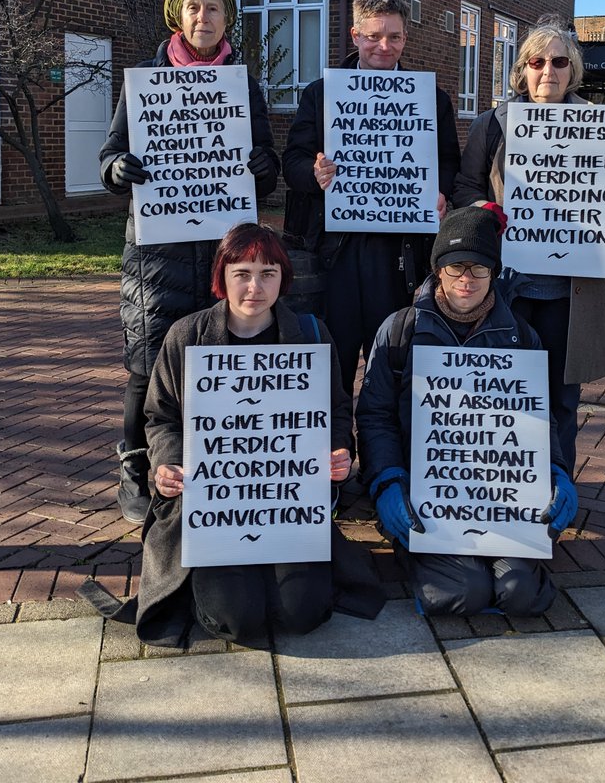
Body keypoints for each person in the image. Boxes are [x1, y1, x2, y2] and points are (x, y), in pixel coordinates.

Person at [83, 223, 383, 647]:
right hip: (213, 508)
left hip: (287, 506)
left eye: (268, 274)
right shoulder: (186, 336)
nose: (255, 287)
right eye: (242, 273)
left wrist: (338, 449)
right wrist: (167, 462)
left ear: (284, 278)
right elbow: (161, 416)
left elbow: (335, 408)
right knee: (236, 620)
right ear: (222, 278)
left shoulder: (312, 336)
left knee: (303, 613)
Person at [99, 0, 280, 522]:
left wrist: (261, 167)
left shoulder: (244, 87)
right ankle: (135, 467)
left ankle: (208, 463)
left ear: (228, 20)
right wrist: (118, 168)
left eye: (215, 9)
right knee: (147, 360)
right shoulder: (146, 81)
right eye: (194, 8)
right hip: (159, 251)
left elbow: (266, 166)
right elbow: (109, 155)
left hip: (225, 252)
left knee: (219, 360)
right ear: (178, 17)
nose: (205, 18)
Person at [355, 206, 577, 617]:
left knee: (518, 593)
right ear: (437, 270)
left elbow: (537, 417)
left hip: (502, 497)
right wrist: (387, 480)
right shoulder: (401, 329)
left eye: (479, 268)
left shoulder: (521, 335)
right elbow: (375, 416)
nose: (466, 280)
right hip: (423, 495)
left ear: (494, 272)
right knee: (466, 591)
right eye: (456, 267)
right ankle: (426, 558)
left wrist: (555, 470)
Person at [451, 15, 605, 475]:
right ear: (523, 68)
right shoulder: (492, 124)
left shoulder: (598, 126)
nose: (547, 72)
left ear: (572, 69)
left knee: (561, 398)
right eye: (537, 61)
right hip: (507, 288)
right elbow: (463, 187)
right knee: (502, 392)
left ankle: (556, 492)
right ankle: (505, 491)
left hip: (570, 295)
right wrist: (484, 209)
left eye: (559, 61)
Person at [282, 0, 461, 398]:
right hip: (336, 252)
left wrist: (440, 190)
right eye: (374, 36)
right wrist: (314, 174)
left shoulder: (432, 99)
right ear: (354, 36)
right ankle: (338, 452)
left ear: (405, 39)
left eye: (395, 37)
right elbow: (290, 162)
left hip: (398, 252)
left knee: (394, 362)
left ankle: (388, 458)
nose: (385, 46)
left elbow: (449, 160)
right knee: (334, 362)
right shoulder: (320, 94)